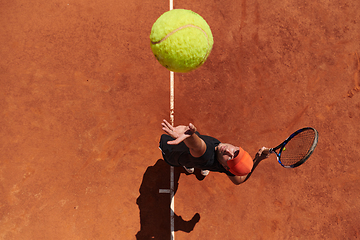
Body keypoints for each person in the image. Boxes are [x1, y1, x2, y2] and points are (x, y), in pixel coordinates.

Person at [159, 119, 270, 185]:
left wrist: (190, 136)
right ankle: (199, 168)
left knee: (191, 156)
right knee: (196, 160)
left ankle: (190, 165)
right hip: (199, 159)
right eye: (235, 151)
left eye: (231, 158)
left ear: (225, 166)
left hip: (173, 154)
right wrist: (258, 159)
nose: (227, 150)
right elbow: (239, 180)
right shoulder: (228, 167)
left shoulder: (206, 154)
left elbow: (198, 147)